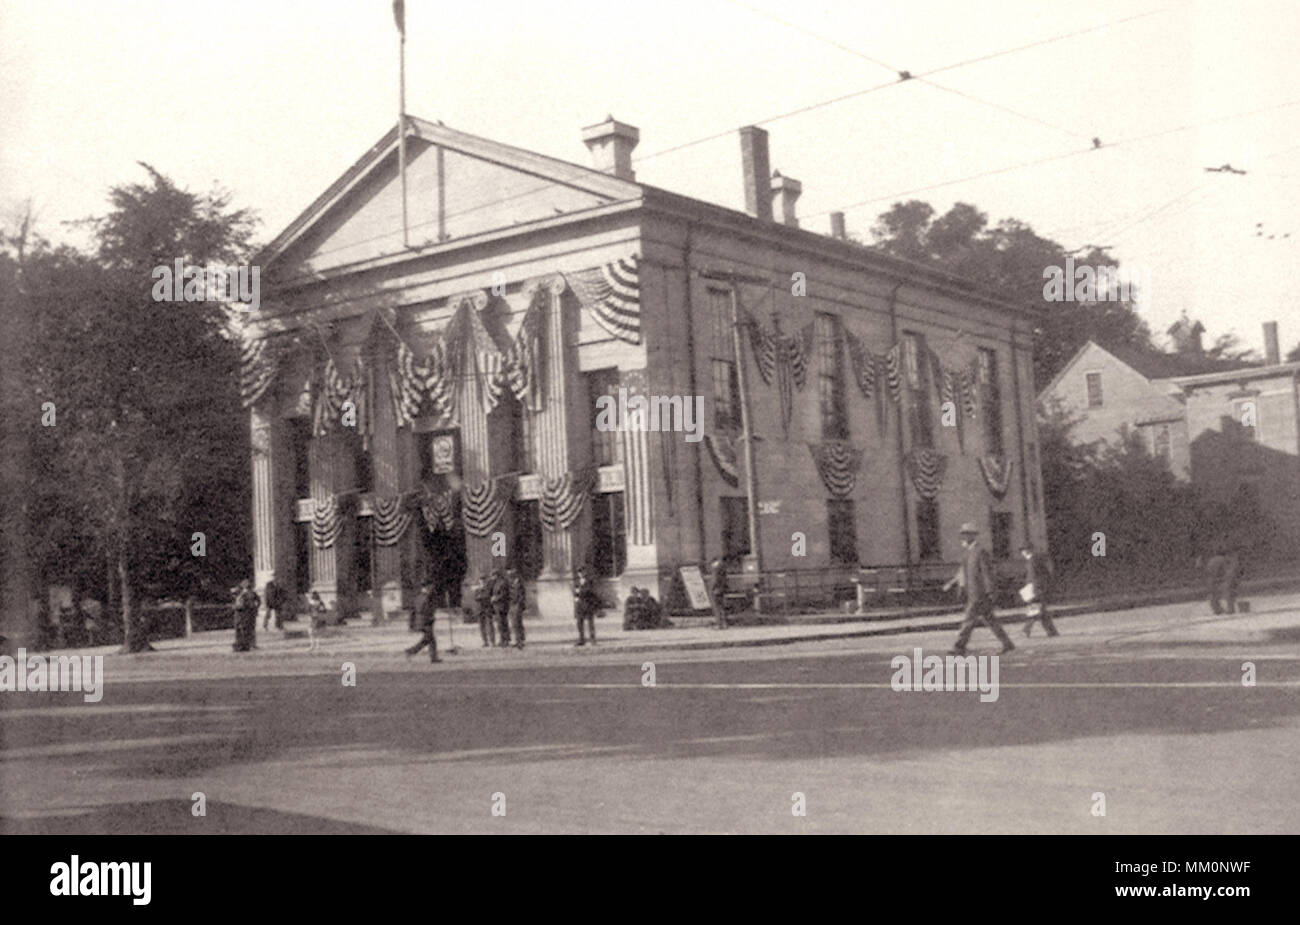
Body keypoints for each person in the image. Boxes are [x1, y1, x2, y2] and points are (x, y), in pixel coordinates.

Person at [945, 523, 1014, 655]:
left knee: (969, 619)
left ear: (972, 536)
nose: (963, 538)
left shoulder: (980, 552)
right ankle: (1007, 643)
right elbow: (962, 573)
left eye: (966, 535)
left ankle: (959, 646)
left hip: (979, 593)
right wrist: (953, 583)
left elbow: (987, 573)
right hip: (972, 592)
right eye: (962, 535)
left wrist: (990, 591)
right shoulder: (968, 553)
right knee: (990, 620)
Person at [1019, 545, 1059, 637]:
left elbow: (1035, 577)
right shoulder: (1033, 560)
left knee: (1034, 610)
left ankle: (1026, 630)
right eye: (1022, 550)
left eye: (1024, 550)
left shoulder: (1033, 561)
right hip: (1036, 588)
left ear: (1028, 550)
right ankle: (1052, 631)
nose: (1022, 552)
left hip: (1036, 589)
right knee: (1041, 611)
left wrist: (1034, 588)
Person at [404, 581, 441, 663]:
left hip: (420, 621)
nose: (432, 588)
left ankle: (433, 657)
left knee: (429, 639)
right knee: (430, 639)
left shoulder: (418, 597)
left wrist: (411, 624)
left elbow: (412, 611)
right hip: (426, 621)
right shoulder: (427, 597)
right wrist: (431, 618)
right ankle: (410, 651)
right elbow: (428, 610)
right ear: (427, 587)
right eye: (431, 587)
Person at [1205, 542, 1242, 615]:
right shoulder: (1223, 560)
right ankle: (1231, 609)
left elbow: (1208, 571)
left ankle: (1217, 609)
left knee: (1213, 595)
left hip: (1211, 580)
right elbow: (1227, 571)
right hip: (1221, 580)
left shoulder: (1211, 560)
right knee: (1229, 592)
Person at [573, 566, 600, 646]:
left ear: (585, 572)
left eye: (582, 572)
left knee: (590, 622)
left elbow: (591, 591)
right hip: (580, 604)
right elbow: (575, 593)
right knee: (579, 623)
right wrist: (576, 600)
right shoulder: (577, 582)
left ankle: (592, 639)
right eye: (579, 572)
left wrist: (581, 591)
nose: (580, 574)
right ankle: (581, 639)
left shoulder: (589, 581)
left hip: (588, 603)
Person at [232, 579, 260, 652]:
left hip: (246, 614)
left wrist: (255, 607)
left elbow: (257, 601)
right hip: (243, 614)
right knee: (244, 629)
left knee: (248, 629)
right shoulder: (241, 593)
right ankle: (244, 644)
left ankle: (247, 644)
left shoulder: (250, 593)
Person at [490, 567, 512, 647]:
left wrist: (495, 598)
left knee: (502, 623)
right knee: (500, 624)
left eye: (493, 575)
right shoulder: (496, 583)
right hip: (497, 606)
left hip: (502, 606)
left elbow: (504, 595)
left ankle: (505, 640)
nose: (492, 577)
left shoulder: (502, 583)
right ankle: (503, 639)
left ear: (496, 575)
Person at [507, 567, 526, 649]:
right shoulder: (512, 584)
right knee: (514, 623)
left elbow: (521, 596)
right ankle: (518, 639)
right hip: (513, 605)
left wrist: (518, 604)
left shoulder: (519, 584)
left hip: (517, 605)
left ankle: (519, 641)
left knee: (517, 623)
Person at [474, 576, 496, 647]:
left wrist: (481, 597)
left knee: (490, 626)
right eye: (481, 581)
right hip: (480, 610)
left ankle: (492, 641)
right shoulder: (477, 590)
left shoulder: (488, 589)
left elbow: (487, 596)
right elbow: (476, 598)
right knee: (481, 627)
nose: (482, 583)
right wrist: (482, 596)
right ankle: (485, 641)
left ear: (486, 582)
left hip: (487, 610)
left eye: (483, 581)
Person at [708, 558, 729, 629]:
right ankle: (724, 623)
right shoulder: (723, 568)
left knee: (716, 607)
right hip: (721, 589)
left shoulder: (715, 569)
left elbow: (715, 579)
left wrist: (711, 588)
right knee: (722, 607)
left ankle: (719, 624)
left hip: (716, 589)